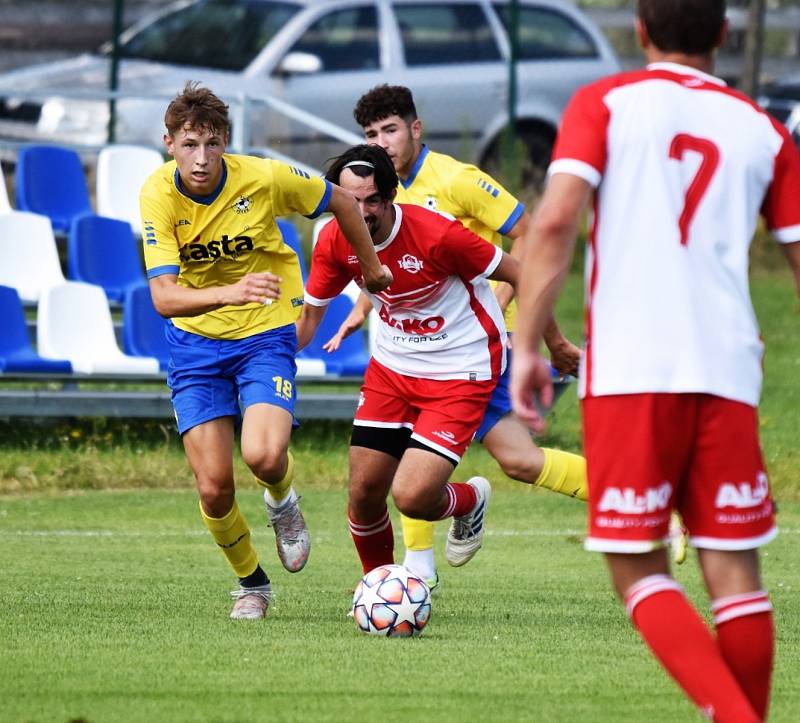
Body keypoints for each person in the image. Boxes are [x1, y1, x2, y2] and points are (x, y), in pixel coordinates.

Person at [510, 1, 800, 719]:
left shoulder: (604, 103)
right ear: (725, 37)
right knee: (735, 573)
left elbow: (553, 222)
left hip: (635, 367)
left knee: (636, 563)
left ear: (641, 32)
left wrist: (526, 345)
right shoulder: (764, 131)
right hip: (728, 370)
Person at [139, 82, 391, 620]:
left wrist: (369, 268)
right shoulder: (157, 195)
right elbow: (163, 298)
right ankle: (252, 583)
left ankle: (283, 502)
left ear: (226, 140)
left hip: (264, 332)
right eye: (189, 145)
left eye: (211, 143)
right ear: (169, 144)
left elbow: (342, 200)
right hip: (196, 345)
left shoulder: (264, 176)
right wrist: (230, 291)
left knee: (264, 455)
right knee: (213, 489)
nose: (201, 158)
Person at [323, 84, 586, 588]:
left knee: (513, 461)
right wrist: (362, 306)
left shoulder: (455, 180)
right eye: (371, 134)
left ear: (415, 129)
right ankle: (413, 572)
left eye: (391, 130)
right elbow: (386, 263)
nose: (382, 143)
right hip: (414, 352)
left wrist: (508, 306)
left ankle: (642, 508)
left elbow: (526, 233)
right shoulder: (370, 197)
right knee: (473, 462)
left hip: (473, 346)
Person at [296, 143, 520, 577]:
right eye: (349, 201)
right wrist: (264, 358)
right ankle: (378, 587)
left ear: (391, 197)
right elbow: (308, 319)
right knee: (363, 492)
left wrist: (556, 343)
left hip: (462, 368)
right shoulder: (332, 239)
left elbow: (520, 272)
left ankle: (470, 500)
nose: (360, 212)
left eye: (371, 200)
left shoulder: (438, 234)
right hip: (394, 367)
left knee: (412, 496)